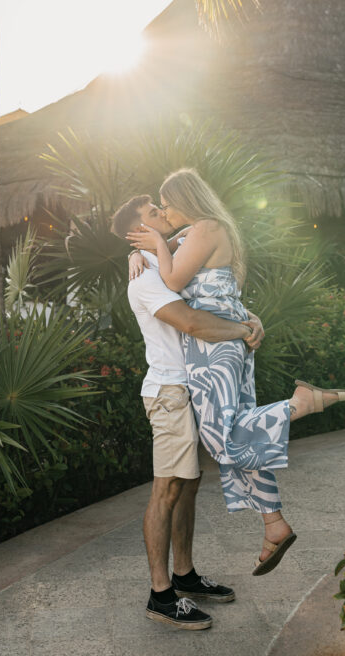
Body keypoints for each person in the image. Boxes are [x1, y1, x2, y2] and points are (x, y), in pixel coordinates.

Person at [125, 168, 345, 578]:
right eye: (157, 210)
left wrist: (156, 246)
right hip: (223, 340)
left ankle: (297, 404)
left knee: (224, 436)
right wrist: (136, 252)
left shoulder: (204, 228)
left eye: (167, 204)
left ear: (185, 199)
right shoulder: (193, 233)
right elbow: (172, 267)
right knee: (240, 430)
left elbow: (174, 280)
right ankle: (274, 524)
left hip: (214, 344)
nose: (165, 212)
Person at [110, 194, 266, 631]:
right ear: (137, 232)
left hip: (191, 387)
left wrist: (250, 318)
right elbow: (193, 322)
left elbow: (213, 298)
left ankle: (185, 575)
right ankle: (161, 595)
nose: (164, 214)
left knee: (188, 485)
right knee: (168, 489)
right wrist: (243, 332)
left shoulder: (168, 260)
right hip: (170, 393)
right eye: (153, 214)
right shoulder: (146, 280)